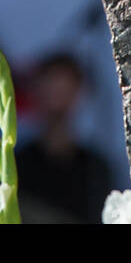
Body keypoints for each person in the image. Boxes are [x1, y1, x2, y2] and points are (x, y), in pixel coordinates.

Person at [16, 52, 112, 224]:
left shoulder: (95, 168)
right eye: (51, 88)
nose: (58, 97)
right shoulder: (15, 163)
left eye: (65, 89)